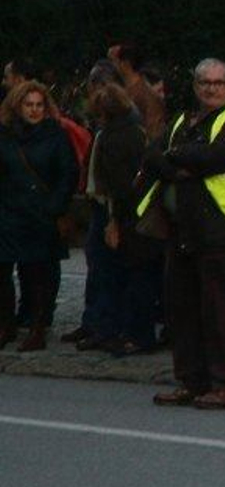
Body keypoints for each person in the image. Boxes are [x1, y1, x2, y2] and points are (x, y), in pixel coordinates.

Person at [137, 59, 225, 409]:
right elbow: (151, 155)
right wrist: (181, 162)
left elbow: (214, 158)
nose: (212, 88)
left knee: (220, 312)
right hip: (181, 230)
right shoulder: (180, 121)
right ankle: (192, 381)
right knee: (182, 311)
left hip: (219, 229)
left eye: (219, 83)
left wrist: (176, 159)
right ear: (195, 85)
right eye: (205, 82)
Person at [82, 81, 162, 356]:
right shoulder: (135, 132)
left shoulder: (114, 138)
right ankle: (131, 331)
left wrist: (113, 220)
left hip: (126, 216)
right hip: (138, 214)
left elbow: (119, 186)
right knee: (135, 276)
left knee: (125, 275)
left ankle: (133, 334)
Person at [0, 81, 78, 351]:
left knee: (38, 276)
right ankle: (6, 324)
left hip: (40, 215)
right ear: (17, 106)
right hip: (9, 213)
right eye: (28, 105)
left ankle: (37, 328)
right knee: (3, 273)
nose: (33, 110)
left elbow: (67, 174)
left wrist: (53, 207)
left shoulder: (55, 135)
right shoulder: (6, 135)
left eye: (38, 105)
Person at [109, 43, 168, 141]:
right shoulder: (123, 89)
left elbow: (154, 131)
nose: (113, 67)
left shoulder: (147, 94)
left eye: (115, 62)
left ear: (125, 64)